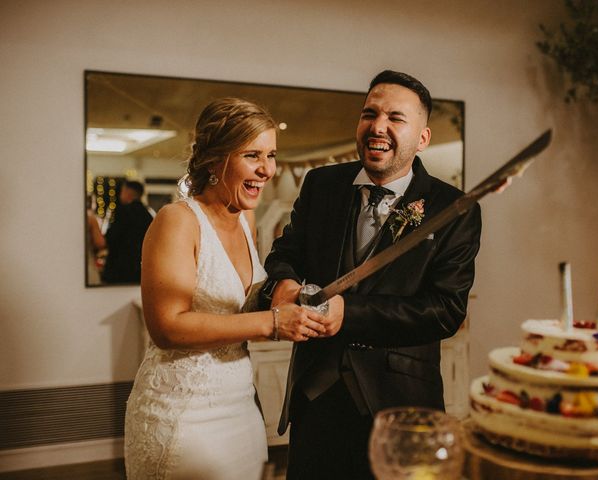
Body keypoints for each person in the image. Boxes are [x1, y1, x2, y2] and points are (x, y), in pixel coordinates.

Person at [262, 70, 482, 479]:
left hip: (399, 406)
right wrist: (285, 281)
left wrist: (351, 312)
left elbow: (445, 311)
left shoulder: (453, 209)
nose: (377, 126)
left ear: (423, 137)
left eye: (395, 118)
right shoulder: (322, 184)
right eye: (369, 113)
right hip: (316, 397)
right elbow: (286, 252)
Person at [123, 98, 330, 480]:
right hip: (183, 414)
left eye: (270, 155)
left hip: (240, 407)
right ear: (215, 159)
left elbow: (241, 305)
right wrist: (271, 323)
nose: (266, 169)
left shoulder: (246, 219)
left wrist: (288, 297)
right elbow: (167, 328)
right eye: (252, 155)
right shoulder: (177, 221)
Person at [101, 180, 153, 283]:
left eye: (122, 191)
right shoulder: (148, 215)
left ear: (128, 192)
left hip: (120, 266)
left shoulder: (123, 211)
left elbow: (111, 237)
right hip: (140, 267)